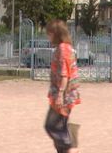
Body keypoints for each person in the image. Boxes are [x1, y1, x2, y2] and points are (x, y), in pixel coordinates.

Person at [45, 20, 81, 153]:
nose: (48, 37)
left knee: (51, 126)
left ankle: (70, 146)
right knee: (60, 126)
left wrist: (60, 95)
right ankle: (67, 146)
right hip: (65, 95)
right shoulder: (66, 47)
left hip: (64, 96)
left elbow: (65, 74)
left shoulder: (63, 49)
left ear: (55, 33)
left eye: (49, 34)